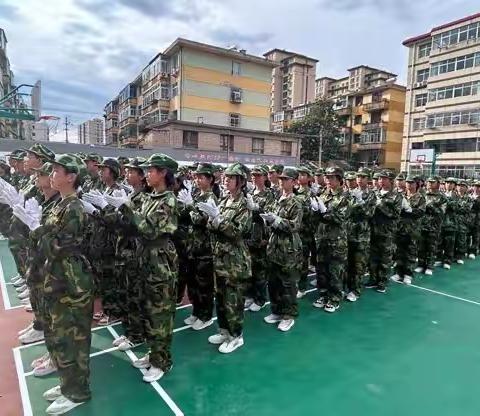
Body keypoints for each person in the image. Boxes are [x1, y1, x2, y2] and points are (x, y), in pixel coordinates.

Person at [27, 154, 94, 414]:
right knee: (58, 336)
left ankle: (78, 391)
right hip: (56, 280)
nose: (52, 174)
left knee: (73, 339)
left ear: (71, 176)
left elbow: (60, 247)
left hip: (71, 284)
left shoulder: (74, 207)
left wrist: (36, 230)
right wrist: (36, 230)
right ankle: (68, 383)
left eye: (56, 170)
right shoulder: (60, 206)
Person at [108, 153, 178, 383]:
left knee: (160, 315)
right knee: (148, 312)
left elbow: (149, 230)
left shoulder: (168, 200)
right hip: (144, 260)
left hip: (159, 263)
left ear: (163, 173)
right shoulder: (150, 198)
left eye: (151, 170)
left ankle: (162, 361)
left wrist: (127, 209)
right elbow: (136, 227)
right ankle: (153, 353)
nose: (147, 174)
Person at [199, 163, 252, 353]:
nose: (226, 179)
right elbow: (211, 227)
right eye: (226, 176)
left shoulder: (244, 204)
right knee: (220, 298)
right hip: (221, 258)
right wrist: (213, 218)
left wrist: (218, 220)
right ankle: (224, 331)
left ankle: (236, 336)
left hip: (235, 262)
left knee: (233, 301)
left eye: (231, 177)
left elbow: (238, 232)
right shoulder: (224, 200)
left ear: (240, 182)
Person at [178, 163, 217, 331]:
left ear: (210, 180)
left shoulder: (211, 198)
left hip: (205, 249)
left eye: (202, 177)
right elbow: (184, 216)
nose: (198, 180)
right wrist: (186, 205)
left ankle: (206, 315)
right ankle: (196, 311)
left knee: (204, 285)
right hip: (193, 247)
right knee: (193, 283)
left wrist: (190, 205)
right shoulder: (196, 195)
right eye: (197, 176)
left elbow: (200, 220)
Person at [262, 167, 303, 329]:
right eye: (281, 179)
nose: (281, 181)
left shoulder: (296, 202)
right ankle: (277, 310)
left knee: (288, 283)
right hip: (274, 246)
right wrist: (268, 219)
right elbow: (271, 215)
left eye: (285, 179)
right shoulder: (278, 198)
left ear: (293, 182)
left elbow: (295, 225)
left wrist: (278, 221)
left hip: (288, 248)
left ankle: (289, 315)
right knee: (273, 282)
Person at [311, 167, 350, 311]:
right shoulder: (323, 194)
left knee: (335, 271)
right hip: (322, 239)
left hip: (337, 240)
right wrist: (315, 210)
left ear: (340, 180)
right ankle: (323, 294)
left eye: (332, 177)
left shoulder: (346, 197)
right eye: (327, 177)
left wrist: (325, 211)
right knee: (321, 270)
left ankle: (334, 298)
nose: (328, 180)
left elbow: (341, 217)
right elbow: (317, 217)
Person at [244, 164, 274, 311]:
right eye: (254, 175)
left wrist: (256, 209)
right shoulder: (249, 193)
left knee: (260, 271)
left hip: (261, 236)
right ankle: (250, 295)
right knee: (249, 268)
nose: (255, 178)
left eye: (259, 175)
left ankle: (260, 298)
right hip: (249, 235)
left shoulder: (269, 194)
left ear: (265, 177)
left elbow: (269, 214)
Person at [367, 170, 402, 293]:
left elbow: (396, 214)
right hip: (373, 230)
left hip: (387, 232)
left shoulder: (396, 196)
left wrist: (380, 205)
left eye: (384, 179)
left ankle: (382, 282)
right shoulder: (374, 193)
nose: (381, 181)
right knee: (372, 257)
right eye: (380, 178)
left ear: (391, 181)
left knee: (385, 259)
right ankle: (373, 278)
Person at [346, 168, 375, 301]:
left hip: (361, 235)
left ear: (368, 179)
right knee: (347, 263)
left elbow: (369, 214)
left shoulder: (371, 195)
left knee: (359, 264)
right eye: (358, 176)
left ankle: (356, 290)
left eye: (363, 177)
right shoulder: (348, 192)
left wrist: (361, 202)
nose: (359, 179)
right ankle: (347, 287)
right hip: (347, 233)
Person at [391, 176, 426, 285]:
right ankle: (398, 272)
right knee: (399, 251)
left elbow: (420, 212)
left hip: (413, 229)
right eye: (408, 183)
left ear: (416, 184)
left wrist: (408, 210)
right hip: (400, 228)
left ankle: (408, 274)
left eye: (412, 183)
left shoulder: (420, 197)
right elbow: (395, 210)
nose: (409, 185)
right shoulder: (401, 196)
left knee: (411, 252)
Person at [416, 176, 446, 275]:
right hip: (422, 224)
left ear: (437, 184)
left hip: (434, 225)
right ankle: (421, 264)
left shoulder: (442, 197)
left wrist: (430, 206)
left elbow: (442, 211)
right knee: (421, 246)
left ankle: (429, 266)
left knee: (432, 246)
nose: (429, 183)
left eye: (432, 182)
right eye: (429, 182)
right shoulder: (422, 194)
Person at [295, 165, 317, 298]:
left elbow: (311, 215)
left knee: (303, 261)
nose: (300, 177)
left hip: (306, 233)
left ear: (309, 178)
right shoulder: (295, 191)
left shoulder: (311, 194)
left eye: (303, 174)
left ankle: (302, 287)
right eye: (299, 174)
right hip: (295, 232)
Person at [439, 178, 458, 269]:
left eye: (451, 183)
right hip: (440, 222)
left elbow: (454, 206)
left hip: (450, 223)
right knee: (439, 241)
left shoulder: (456, 195)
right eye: (447, 183)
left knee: (449, 243)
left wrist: (445, 201)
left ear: (454, 185)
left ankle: (447, 260)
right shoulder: (440, 194)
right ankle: (438, 259)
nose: (449, 185)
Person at [454, 180, 473, 264]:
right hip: (453, 221)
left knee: (461, 239)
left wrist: (456, 208)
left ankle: (459, 256)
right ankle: (451, 255)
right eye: (459, 185)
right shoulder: (453, 196)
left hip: (463, 222)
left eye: (462, 186)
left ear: (466, 188)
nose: (460, 187)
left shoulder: (469, 198)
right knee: (452, 239)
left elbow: (467, 209)